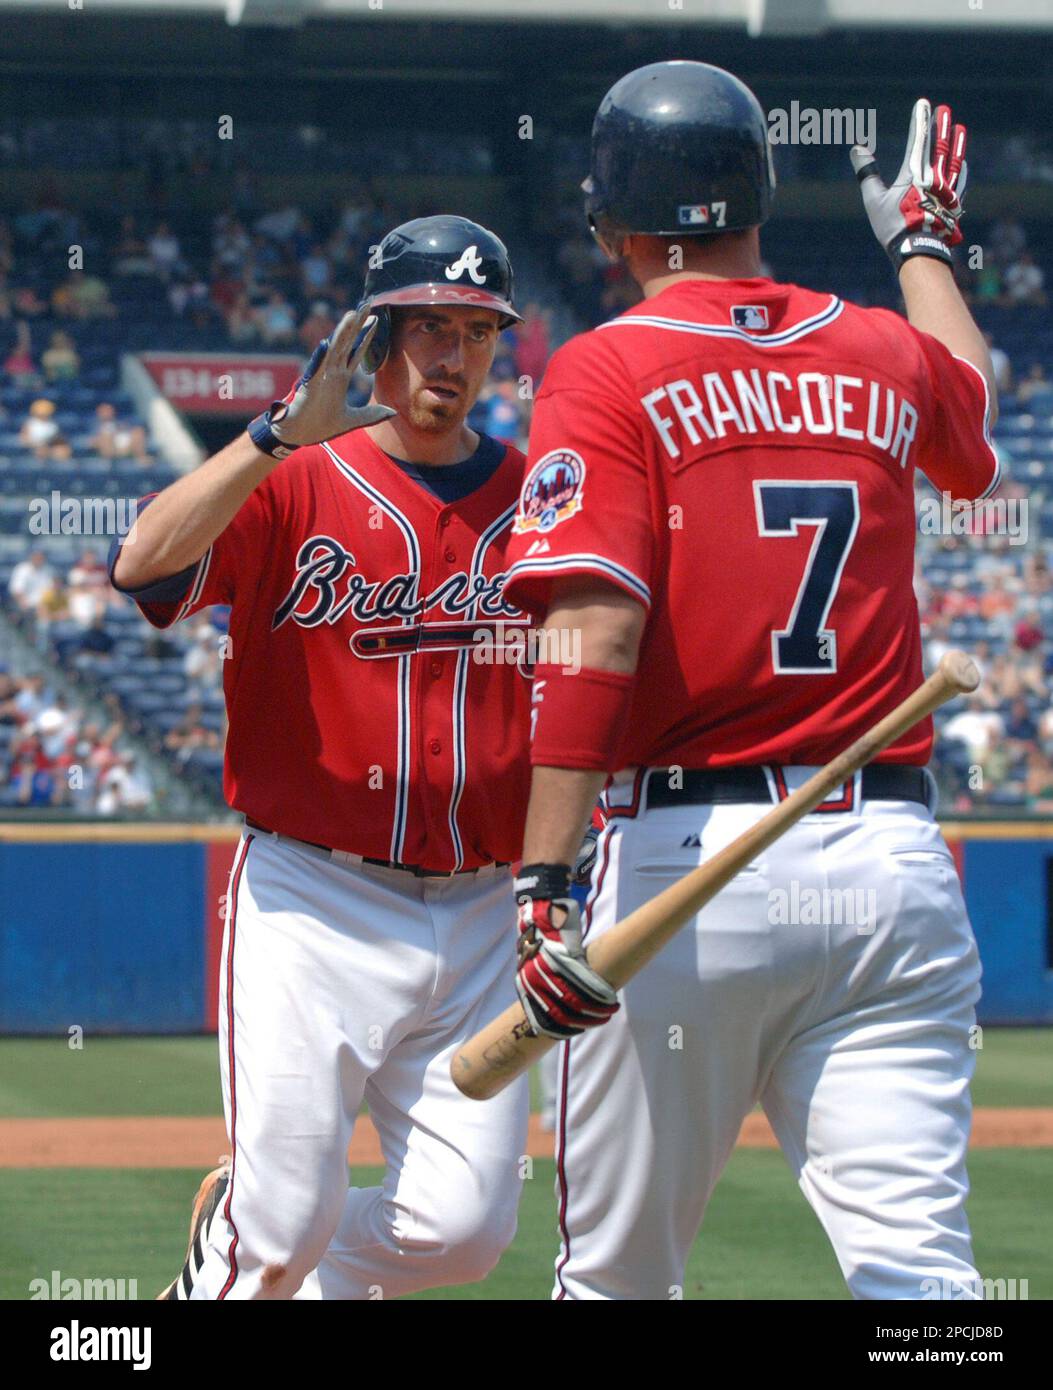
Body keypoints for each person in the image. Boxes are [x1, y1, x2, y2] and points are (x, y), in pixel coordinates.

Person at [501, 63, 999, 1301]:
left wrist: (543, 883)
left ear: (615, 226)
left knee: (616, 1280)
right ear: (756, 201)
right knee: (922, 1280)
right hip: (891, 866)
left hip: (691, 866)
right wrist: (928, 246)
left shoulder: (606, 369)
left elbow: (595, 633)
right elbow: (976, 433)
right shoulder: (880, 349)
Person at [111, 216, 536, 1301]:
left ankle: (253, 1237)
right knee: (285, 1223)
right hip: (316, 897)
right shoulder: (296, 481)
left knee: (463, 1231)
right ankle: (249, 1243)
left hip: (486, 906)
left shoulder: (538, 498)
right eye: (429, 326)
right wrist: (271, 437)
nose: (453, 356)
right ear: (374, 338)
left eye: (478, 330)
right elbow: (142, 565)